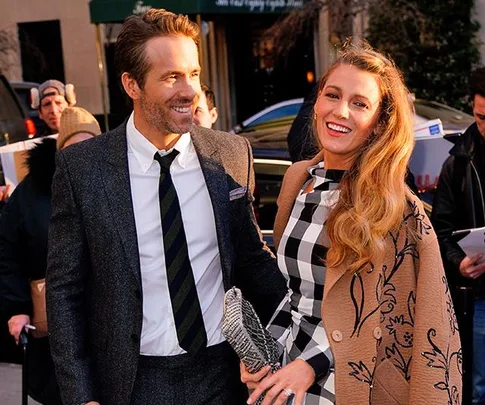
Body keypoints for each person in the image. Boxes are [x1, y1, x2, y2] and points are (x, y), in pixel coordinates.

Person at [45, 9, 286, 405]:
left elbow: (251, 259)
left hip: (223, 374)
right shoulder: (83, 169)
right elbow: (65, 289)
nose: (189, 90)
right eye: (172, 76)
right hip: (133, 381)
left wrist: (306, 330)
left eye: (193, 74)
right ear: (131, 84)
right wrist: (80, 395)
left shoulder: (229, 153)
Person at [241, 43, 462, 405]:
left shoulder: (395, 207)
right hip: (284, 376)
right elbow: (293, 293)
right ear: (316, 103)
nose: (340, 111)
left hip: (350, 384)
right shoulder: (299, 180)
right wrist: (260, 352)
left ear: (378, 124)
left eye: (360, 103)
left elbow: (389, 318)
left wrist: (311, 364)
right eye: (332, 95)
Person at [0, 106, 101, 404]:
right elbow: (7, 251)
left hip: (113, 322)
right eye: (74, 149)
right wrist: (16, 307)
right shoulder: (32, 193)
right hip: (56, 321)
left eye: (90, 146)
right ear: (61, 151)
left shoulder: (118, 182)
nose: (83, 157)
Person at [431, 66, 485, 405]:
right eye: (481, 117)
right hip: (482, 294)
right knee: (479, 389)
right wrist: (459, 262)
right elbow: (441, 229)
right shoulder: (459, 162)